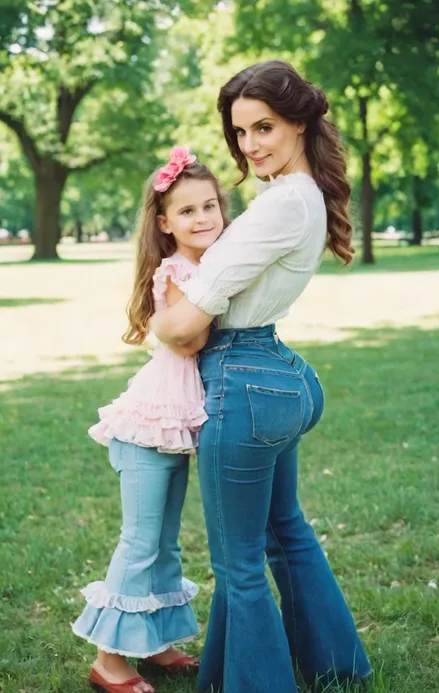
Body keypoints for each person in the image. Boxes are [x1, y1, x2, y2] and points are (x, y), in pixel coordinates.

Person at [150, 61, 373, 693]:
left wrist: (157, 318)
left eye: (264, 127)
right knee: (286, 532)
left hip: (245, 380)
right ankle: (335, 668)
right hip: (274, 372)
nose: (250, 145)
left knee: (239, 563)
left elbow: (191, 317)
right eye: (240, 131)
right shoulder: (294, 197)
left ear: (298, 122)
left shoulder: (282, 205)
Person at [72, 147, 228, 693]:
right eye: (187, 211)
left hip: (174, 421)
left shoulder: (208, 266)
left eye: (210, 206)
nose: (203, 217)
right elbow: (189, 338)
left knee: (166, 542)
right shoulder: (182, 271)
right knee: (140, 542)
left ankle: (155, 641)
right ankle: (109, 660)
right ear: (165, 224)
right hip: (149, 423)